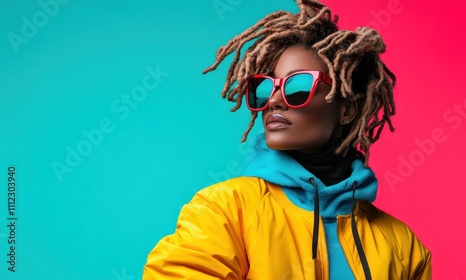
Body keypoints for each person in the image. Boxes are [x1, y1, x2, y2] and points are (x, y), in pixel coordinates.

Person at [143, 0, 432, 279]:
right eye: (265, 87)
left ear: (346, 109)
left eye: (298, 86)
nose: (275, 101)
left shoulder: (403, 246)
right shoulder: (226, 211)